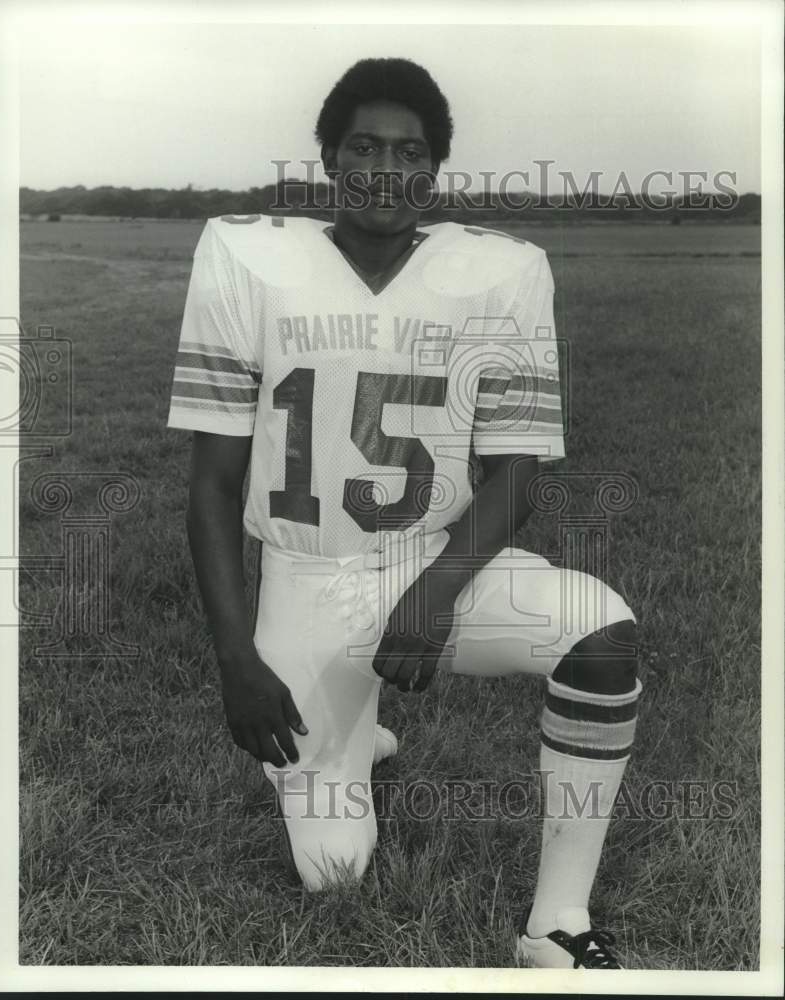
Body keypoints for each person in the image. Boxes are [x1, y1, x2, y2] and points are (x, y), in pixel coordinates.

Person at [167, 57, 641, 970]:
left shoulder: (499, 273)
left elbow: (514, 476)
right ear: (328, 160)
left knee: (603, 633)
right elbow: (212, 485)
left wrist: (430, 598)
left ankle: (555, 925)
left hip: (434, 560)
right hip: (307, 578)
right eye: (364, 147)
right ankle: (350, 728)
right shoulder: (246, 255)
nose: (388, 169)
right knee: (335, 873)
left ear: (435, 172)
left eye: (412, 153)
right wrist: (236, 657)